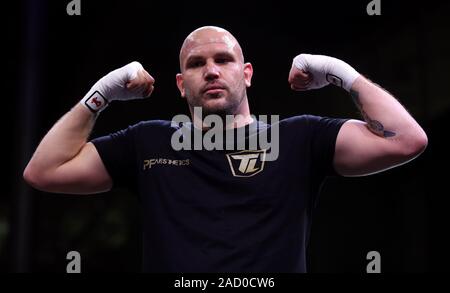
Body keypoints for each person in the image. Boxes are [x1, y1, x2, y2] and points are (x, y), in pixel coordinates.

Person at [23, 26, 428, 272]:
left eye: (224, 59)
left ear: (246, 74)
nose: (212, 70)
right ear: (181, 84)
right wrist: (103, 93)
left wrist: (338, 71)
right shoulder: (147, 141)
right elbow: (44, 171)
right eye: (197, 63)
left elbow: (405, 139)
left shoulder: (299, 138)